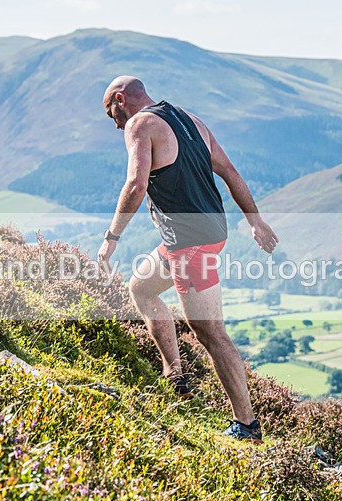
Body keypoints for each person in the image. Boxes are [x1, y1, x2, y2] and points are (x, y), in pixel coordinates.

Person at [97, 76, 278, 443]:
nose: (114, 124)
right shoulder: (190, 120)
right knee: (142, 288)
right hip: (206, 232)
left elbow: (136, 184)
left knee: (210, 332)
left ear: (120, 99)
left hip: (189, 244)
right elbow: (229, 171)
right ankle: (174, 374)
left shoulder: (139, 124)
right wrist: (254, 220)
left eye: (111, 114)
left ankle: (246, 426)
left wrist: (111, 237)